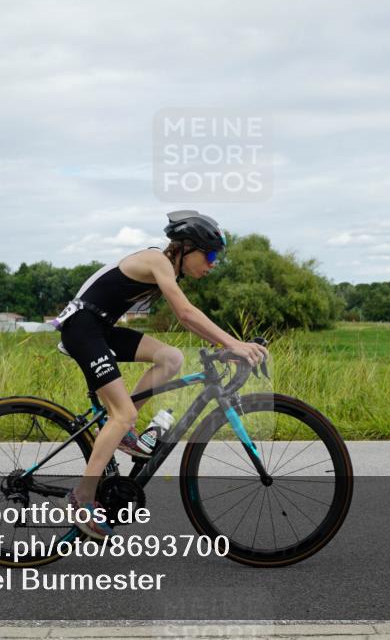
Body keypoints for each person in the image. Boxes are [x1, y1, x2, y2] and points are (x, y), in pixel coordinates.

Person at [57, 210, 268, 539]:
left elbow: (187, 318)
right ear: (186, 248)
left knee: (170, 358)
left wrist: (226, 345)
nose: (213, 264)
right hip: (82, 328)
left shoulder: (167, 268)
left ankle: (124, 432)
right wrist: (234, 344)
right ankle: (82, 497)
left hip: (99, 327)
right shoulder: (158, 261)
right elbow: (185, 313)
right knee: (122, 411)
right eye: (210, 255)